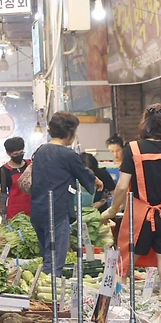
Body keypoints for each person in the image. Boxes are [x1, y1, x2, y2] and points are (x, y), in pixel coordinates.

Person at [101, 105, 161, 276]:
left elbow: (122, 185)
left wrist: (112, 210)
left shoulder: (133, 148)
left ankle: (119, 302)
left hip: (139, 216)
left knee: (123, 266)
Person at [29, 112, 99, 275]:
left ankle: (43, 291)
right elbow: (84, 175)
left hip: (38, 211)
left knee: (47, 255)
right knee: (54, 261)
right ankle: (50, 295)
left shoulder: (40, 151)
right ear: (70, 132)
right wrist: (96, 181)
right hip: (57, 211)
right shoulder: (68, 154)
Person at [0, 137, 31, 221]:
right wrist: (2, 212)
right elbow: (3, 193)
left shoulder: (30, 165)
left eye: (21, 153)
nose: (19, 156)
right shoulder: (4, 169)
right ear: (8, 153)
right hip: (14, 210)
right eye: (16, 154)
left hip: (32, 207)